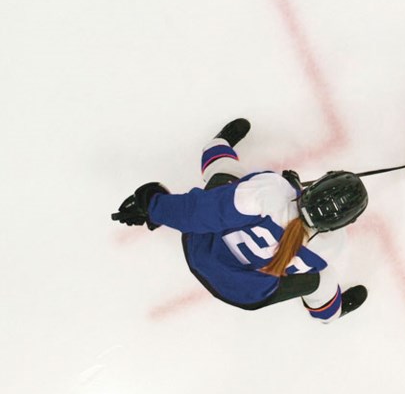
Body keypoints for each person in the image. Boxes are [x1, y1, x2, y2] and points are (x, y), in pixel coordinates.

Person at [111, 118, 368, 321]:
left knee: (225, 172)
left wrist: (151, 205)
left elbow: (197, 212)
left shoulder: (271, 190)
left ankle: (219, 144)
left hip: (201, 251)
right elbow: (293, 235)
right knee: (324, 280)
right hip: (245, 293)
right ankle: (331, 313)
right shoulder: (333, 245)